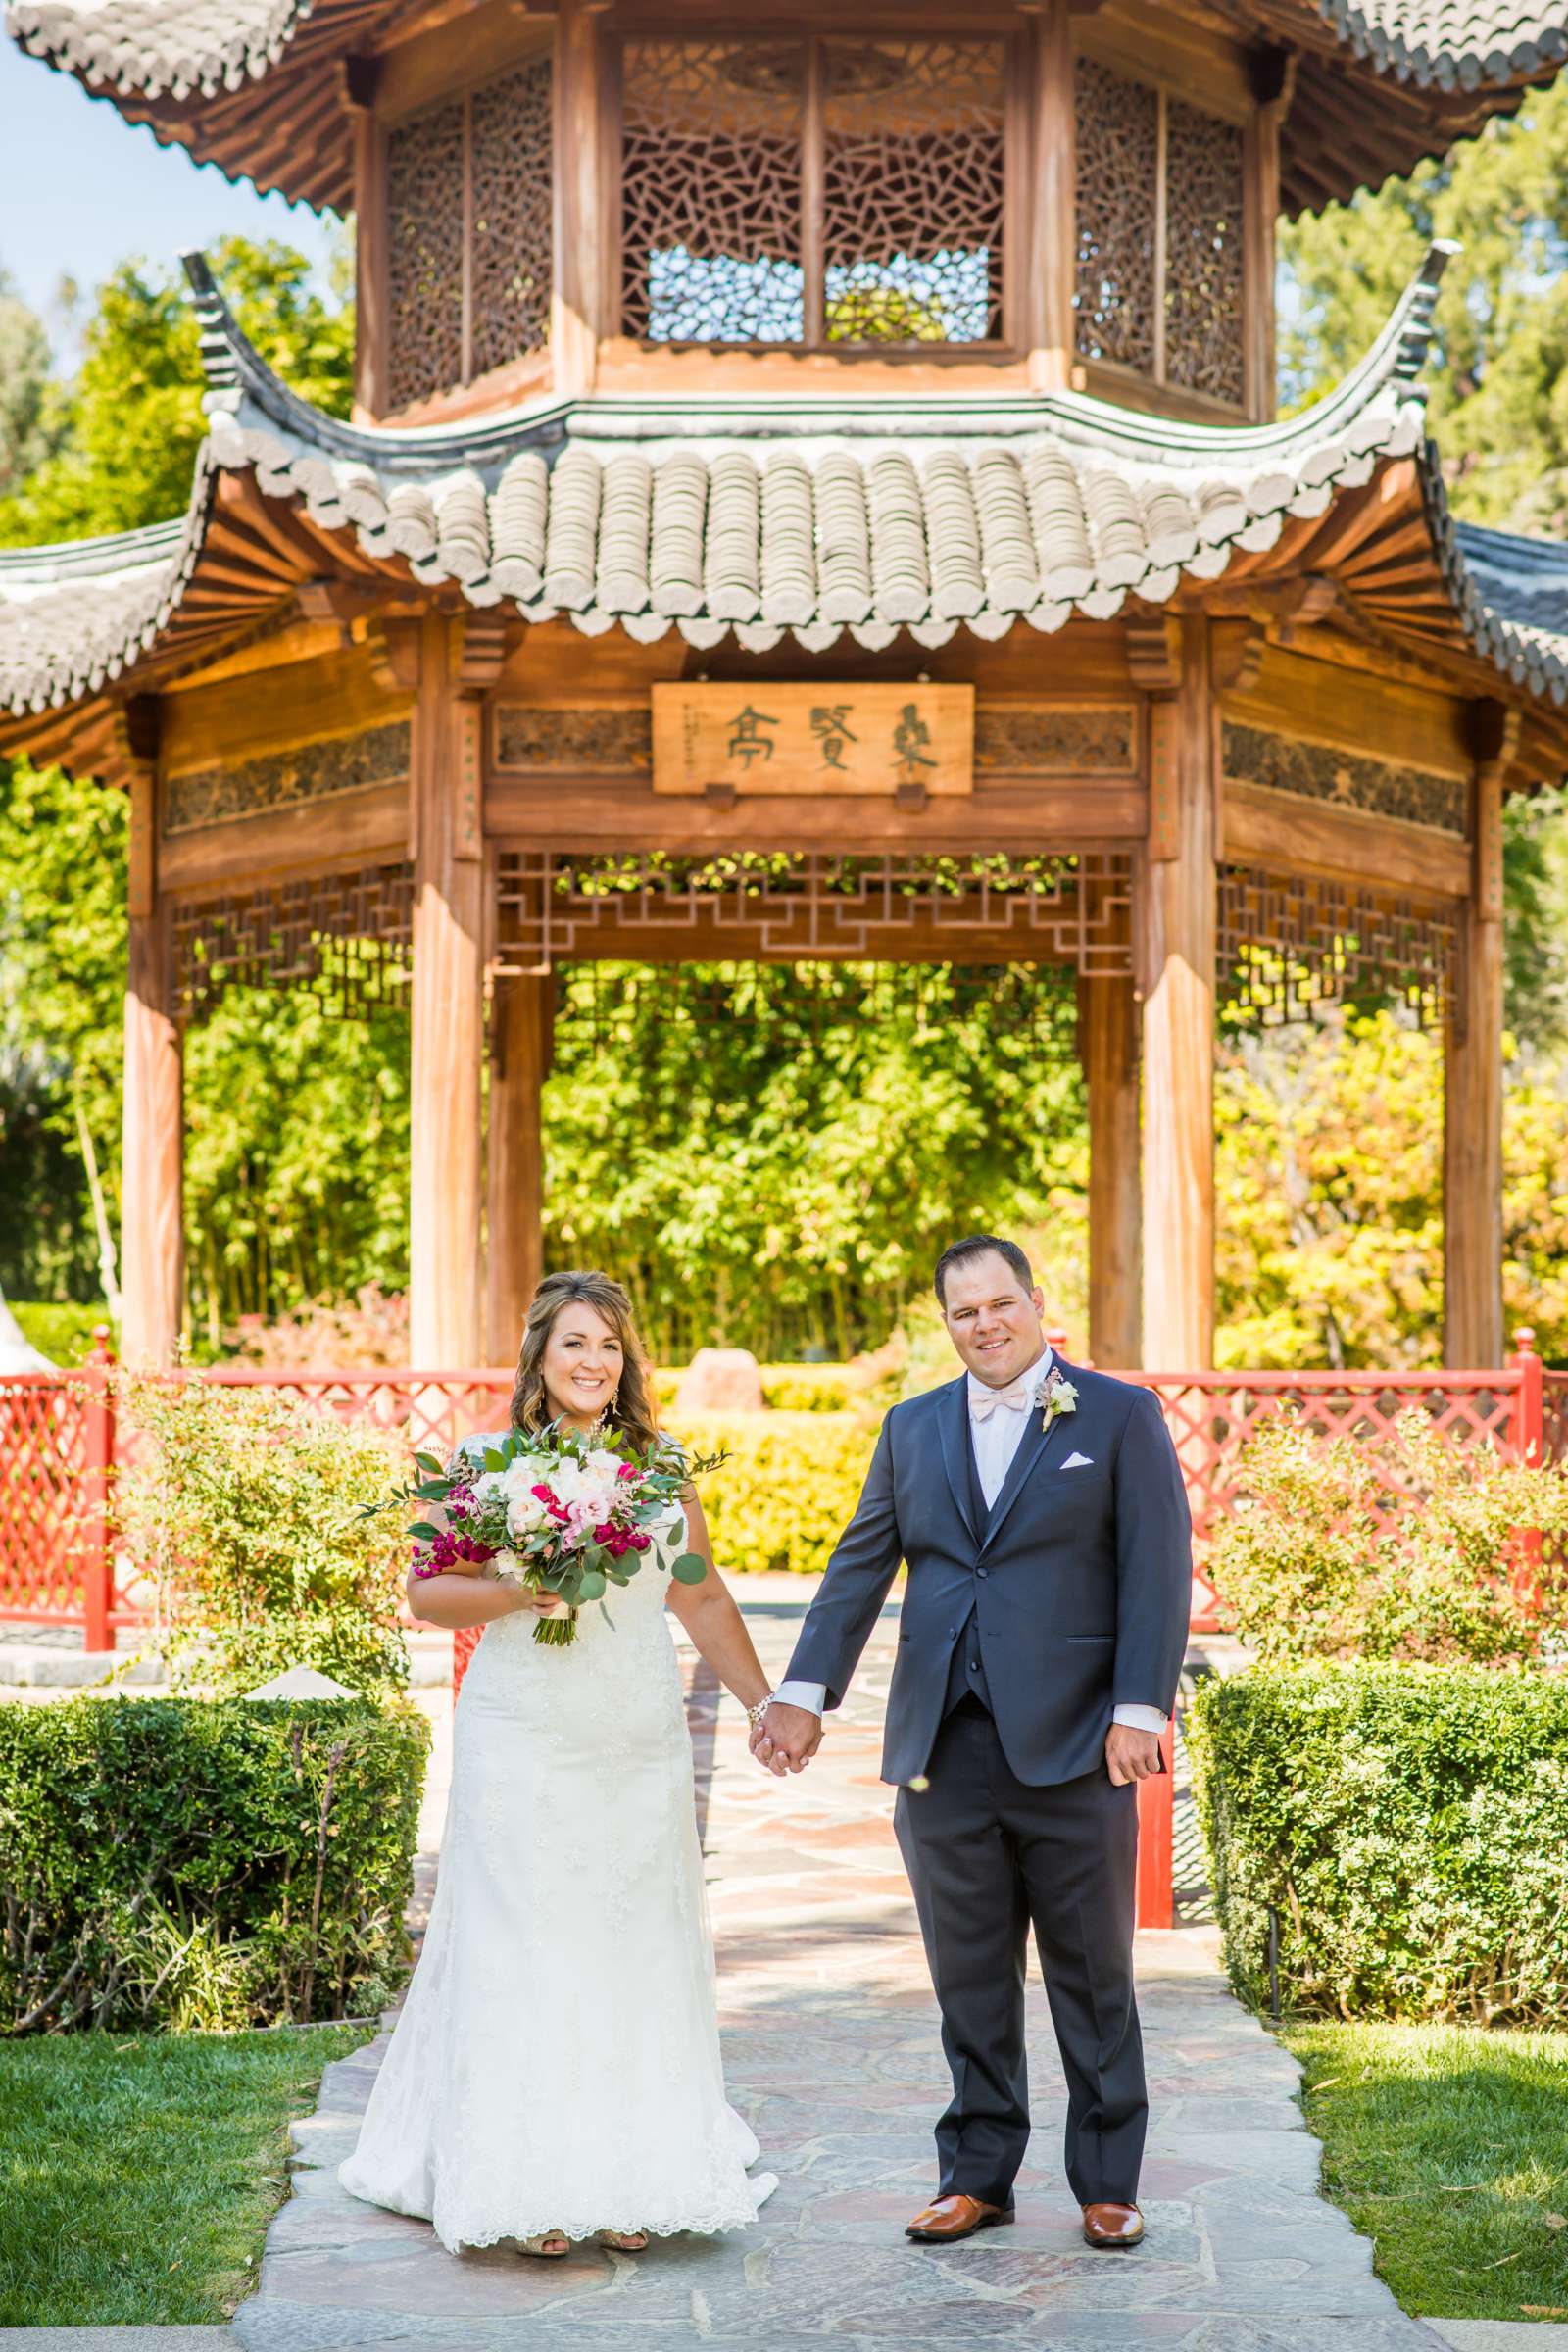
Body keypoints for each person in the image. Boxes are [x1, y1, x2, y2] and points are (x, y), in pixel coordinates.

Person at [752, 1234, 1191, 2251]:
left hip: (1078, 1740)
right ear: (943, 1325)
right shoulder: (911, 1429)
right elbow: (857, 1568)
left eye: (1000, 1304)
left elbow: (1155, 1567)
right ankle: (976, 2174)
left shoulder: (1117, 1415)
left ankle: (1107, 2180)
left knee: (1092, 1976)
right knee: (968, 1976)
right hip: (941, 1747)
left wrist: (1138, 1709)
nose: (985, 1325)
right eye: (963, 1313)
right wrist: (803, 1694)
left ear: (1036, 1304)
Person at [339, 1269, 779, 2257]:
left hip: (631, 1735)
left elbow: (699, 1594)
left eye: (611, 1346)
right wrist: (520, 1587)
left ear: (628, 1364)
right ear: (539, 1354)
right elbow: (426, 1593)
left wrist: (764, 1702)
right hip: (524, 1731)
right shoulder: (479, 1461)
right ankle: (531, 2181)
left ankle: (632, 2179)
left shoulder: (661, 1469)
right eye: (575, 1342)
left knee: (630, 1944)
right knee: (526, 1941)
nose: (593, 1362)